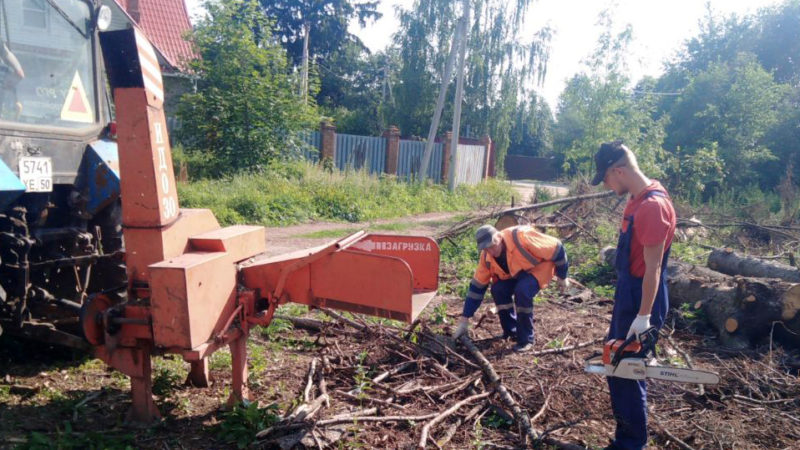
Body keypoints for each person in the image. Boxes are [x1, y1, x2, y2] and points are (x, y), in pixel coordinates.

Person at [591, 141, 676, 450]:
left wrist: (643, 316)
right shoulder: (636, 199)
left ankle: (631, 444)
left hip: (642, 296)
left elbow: (654, 268)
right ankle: (626, 437)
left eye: (606, 178)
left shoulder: (652, 207)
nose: (606, 185)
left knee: (626, 370)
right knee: (615, 362)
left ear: (619, 171)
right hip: (629, 292)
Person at [452, 224, 570, 352]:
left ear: (499, 236)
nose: (491, 251)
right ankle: (511, 332)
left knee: (523, 290)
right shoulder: (486, 257)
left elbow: (557, 248)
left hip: (538, 269)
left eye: (493, 245)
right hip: (516, 274)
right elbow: (476, 289)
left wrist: (562, 276)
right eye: (486, 248)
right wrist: (464, 319)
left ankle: (526, 339)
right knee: (498, 289)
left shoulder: (521, 237)